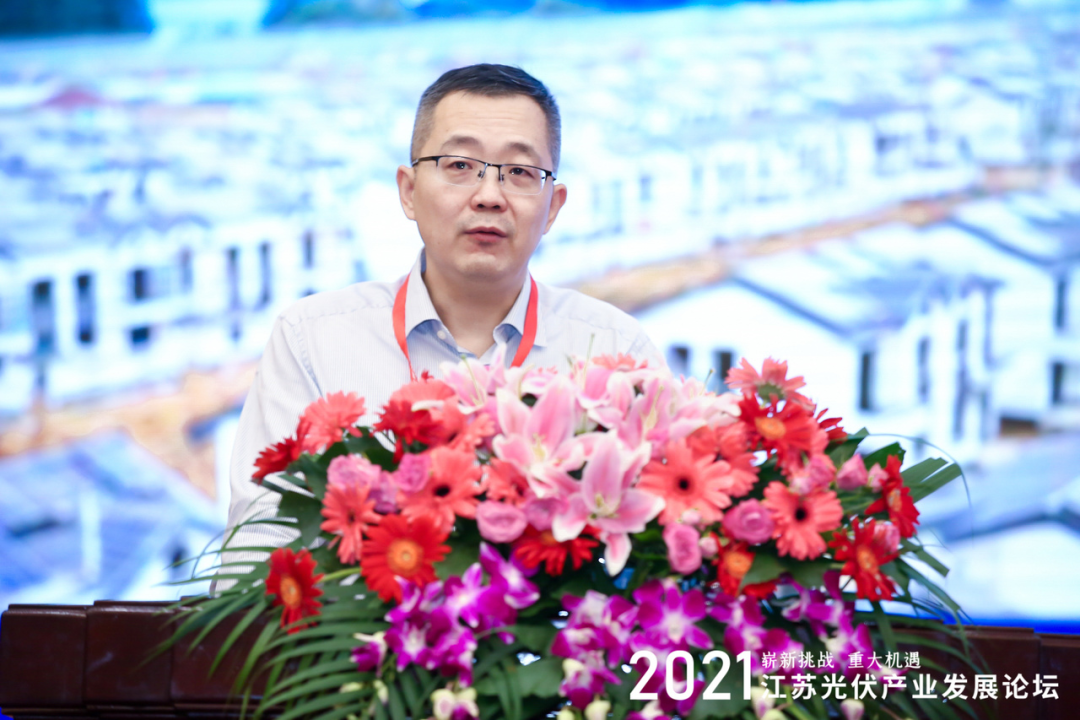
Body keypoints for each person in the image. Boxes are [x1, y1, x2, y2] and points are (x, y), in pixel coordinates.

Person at [223, 63, 663, 558]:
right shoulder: (311, 341)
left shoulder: (617, 352)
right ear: (409, 191)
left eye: (520, 172)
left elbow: (662, 549)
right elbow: (256, 556)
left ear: (553, 207)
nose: (489, 196)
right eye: (459, 165)